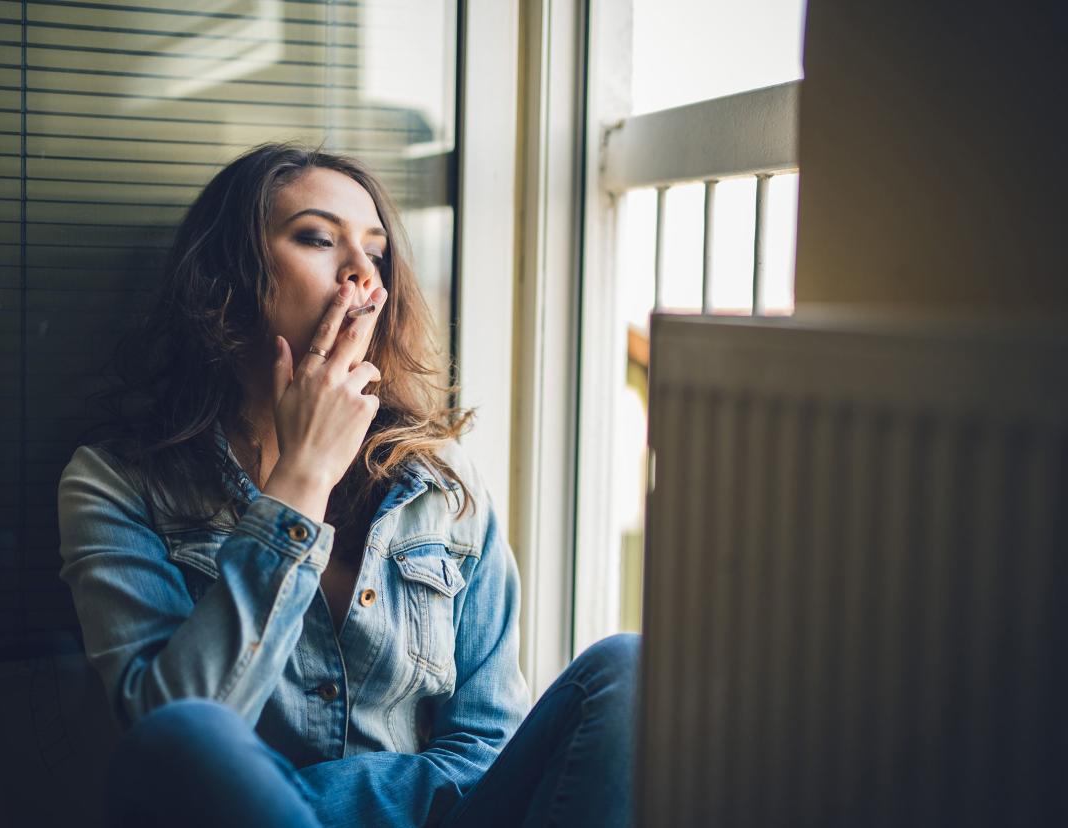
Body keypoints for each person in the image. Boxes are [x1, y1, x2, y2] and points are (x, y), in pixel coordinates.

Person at [56, 142, 640, 828]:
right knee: (189, 737)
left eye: (377, 253)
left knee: (629, 671)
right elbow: (174, 744)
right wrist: (299, 480)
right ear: (227, 279)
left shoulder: (440, 481)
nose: (363, 276)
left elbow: (485, 747)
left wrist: (332, 804)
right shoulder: (116, 484)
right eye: (317, 239)